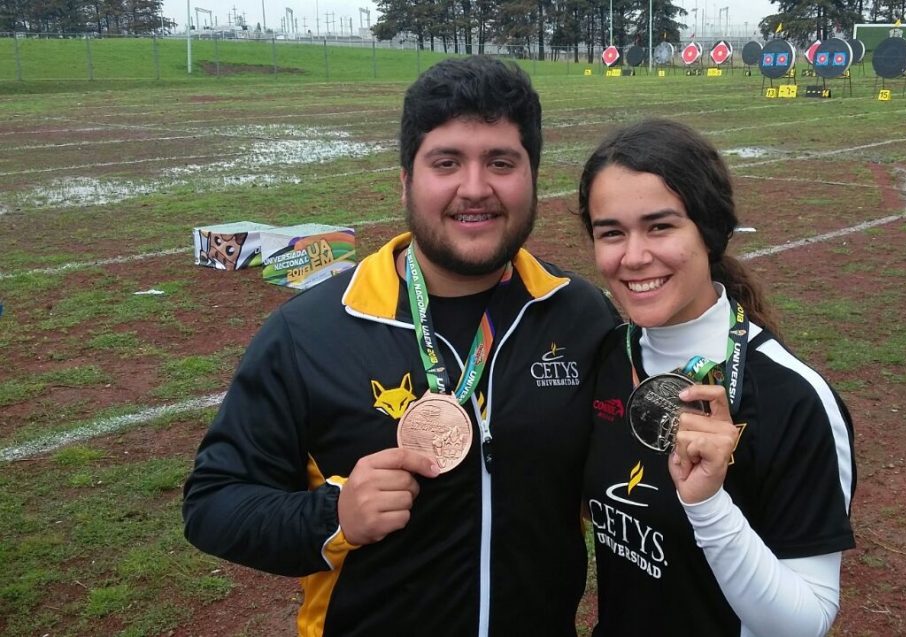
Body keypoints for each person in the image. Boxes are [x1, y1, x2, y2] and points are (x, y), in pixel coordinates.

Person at [182, 55, 618, 637]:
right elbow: (213, 504)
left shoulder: (580, 315)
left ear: (532, 176)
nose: (475, 187)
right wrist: (334, 516)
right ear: (407, 180)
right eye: (446, 162)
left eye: (501, 162)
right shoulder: (312, 331)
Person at [578, 119, 856, 637]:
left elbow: (805, 624)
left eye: (660, 226)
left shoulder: (792, 398)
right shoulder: (607, 359)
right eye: (611, 232)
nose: (634, 256)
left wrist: (708, 505)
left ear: (709, 231)